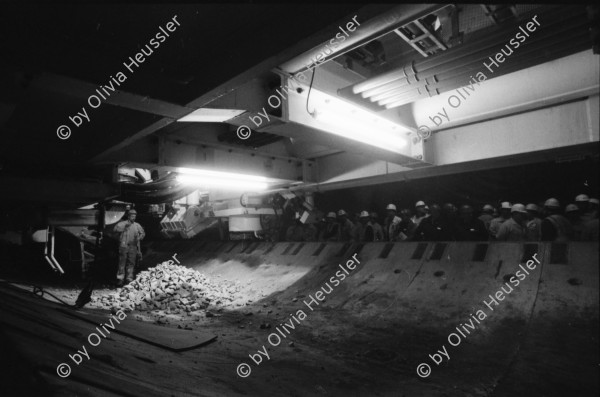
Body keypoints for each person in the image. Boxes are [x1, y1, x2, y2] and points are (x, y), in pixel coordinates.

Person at [114, 209, 145, 287]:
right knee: (122, 263)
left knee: (131, 263)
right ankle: (120, 279)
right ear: (128, 216)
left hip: (133, 246)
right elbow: (115, 229)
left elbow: (143, 233)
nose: (133, 217)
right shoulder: (122, 224)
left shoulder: (137, 225)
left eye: (134, 216)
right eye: (132, 216)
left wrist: (140, 237)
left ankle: (129, 279)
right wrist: (124, 227)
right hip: (123, 246)